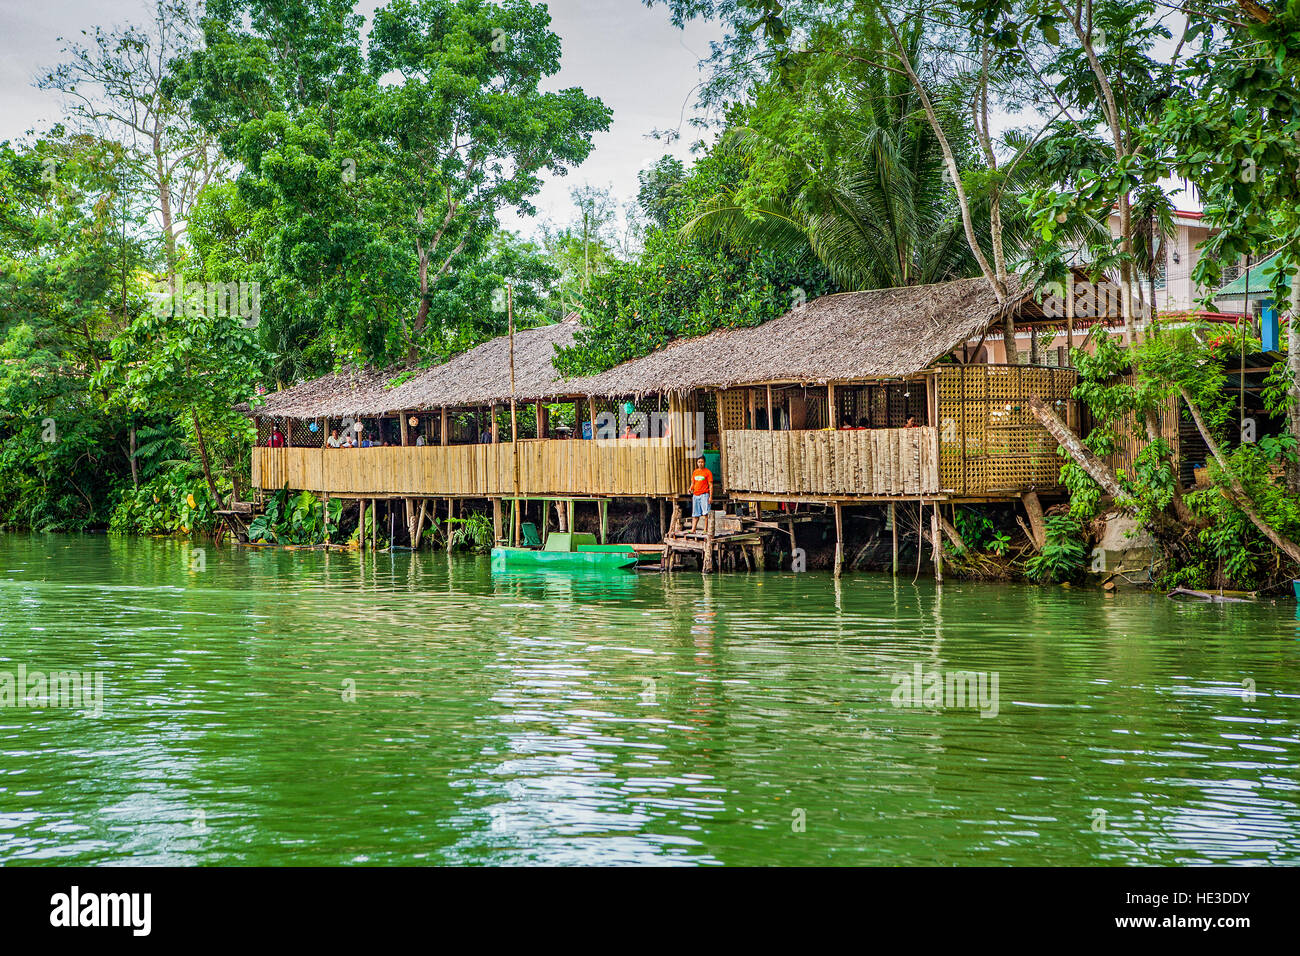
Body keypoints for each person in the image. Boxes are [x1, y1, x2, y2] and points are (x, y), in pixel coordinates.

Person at [687, 455, 713, 534]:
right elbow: (693, 483)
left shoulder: (708, 472)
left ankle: (705, 529)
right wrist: (690, 489)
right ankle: (693, 529)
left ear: (704, 463)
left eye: (702, 462)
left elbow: (710, 485)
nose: (700, 463)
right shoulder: (695, 472)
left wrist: (710, 497)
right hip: (695, 495)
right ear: (697, 463)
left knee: (705, 513)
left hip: (704, 495)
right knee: (695, 514)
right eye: (699, 462)